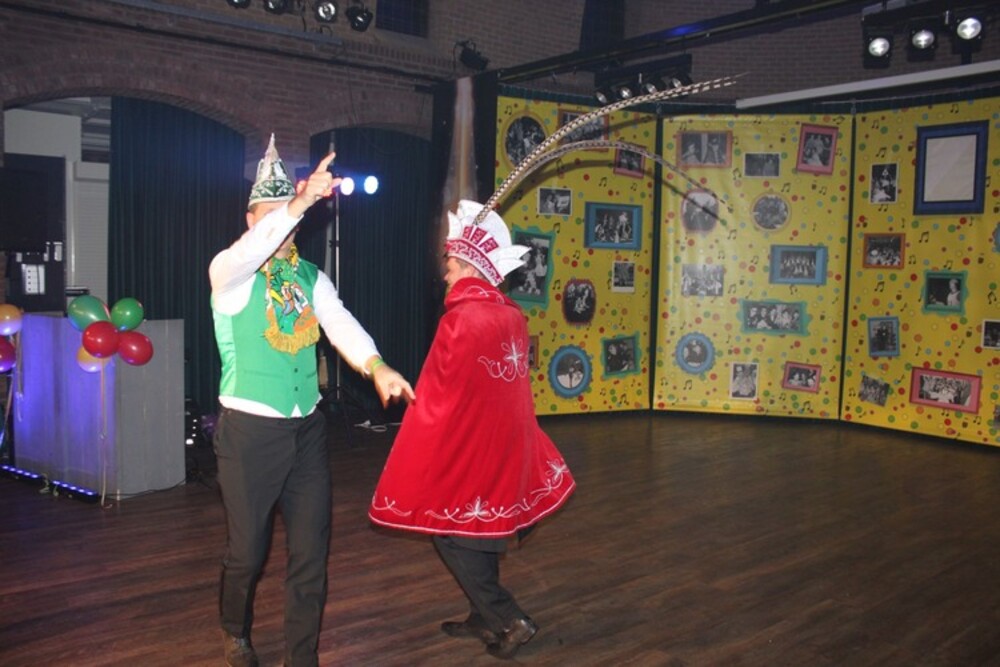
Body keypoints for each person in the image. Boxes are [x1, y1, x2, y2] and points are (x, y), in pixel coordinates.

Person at [210, 135, 414, 667]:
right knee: (247, 553)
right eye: (271, 214)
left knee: (310, 553)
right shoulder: (229, 273)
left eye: (290, 217)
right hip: (250, 432)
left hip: (306, 431)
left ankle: (302, 657)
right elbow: (252, 249)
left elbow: (339, 322)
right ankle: (234, 628)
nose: (283, 226)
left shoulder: (309, 277)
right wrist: (298, 201)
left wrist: (376, 365)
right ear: (250, 219)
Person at [368, 200, 576, 660]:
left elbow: (440, 394)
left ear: (468, 268)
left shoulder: (461, 319)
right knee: (479, 529)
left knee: (447, 531)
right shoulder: (511, 315)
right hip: (504, 443)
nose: (445, 276)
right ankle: (483, 615)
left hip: (469, 445)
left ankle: (508, 617)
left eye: (450, 267)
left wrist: (418, 441)